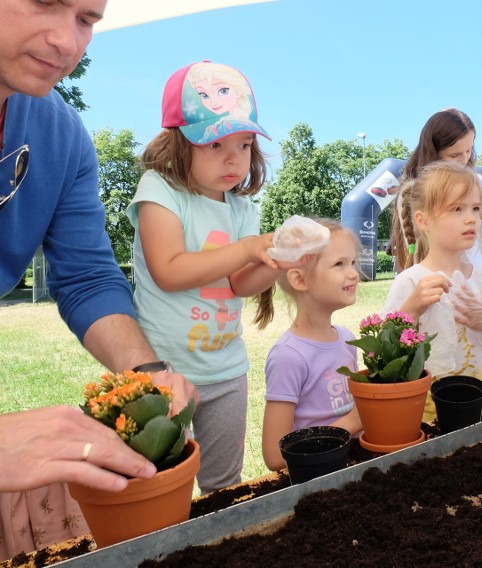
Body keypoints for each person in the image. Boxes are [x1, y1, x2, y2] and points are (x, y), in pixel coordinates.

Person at [0, 0, 197, 546]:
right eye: (46, 2)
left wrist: (148, 374)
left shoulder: (61, 135)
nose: (68, 42)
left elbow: (87, 276)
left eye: (87, 19)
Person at [126, 61, 308, 494]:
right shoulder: (160, 191)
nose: (234, 158)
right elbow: (168, 271)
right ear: (177, 143)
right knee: (159, 486)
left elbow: (238, 284)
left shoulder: (242, 208)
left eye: (244, 145)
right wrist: (246, 249)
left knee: (224, 487)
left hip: (227, 369)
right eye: (214, 145)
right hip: (163, 375)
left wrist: (273, 260)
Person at [382, 161, 482, 420]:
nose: (471, 218)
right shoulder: (409, 283)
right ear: (423, 220)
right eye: (456, 208)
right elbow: (385, 363)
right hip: (432, 417)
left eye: (476, 208)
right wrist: (411, 311)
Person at [255, 220, 363, 471]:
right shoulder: (289, 356)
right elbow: (275, 455)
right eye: (339, 264)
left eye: (353, 262)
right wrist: (353, 422)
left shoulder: (347, 340)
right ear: (300, 279)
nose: (354, 273)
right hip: (316, 480)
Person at [389, 108, 482, 272]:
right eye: (454, 155)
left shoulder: (476, 182)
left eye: (469, 150)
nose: (464, 160)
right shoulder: (414, 191)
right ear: (433, 153)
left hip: (471, 275)